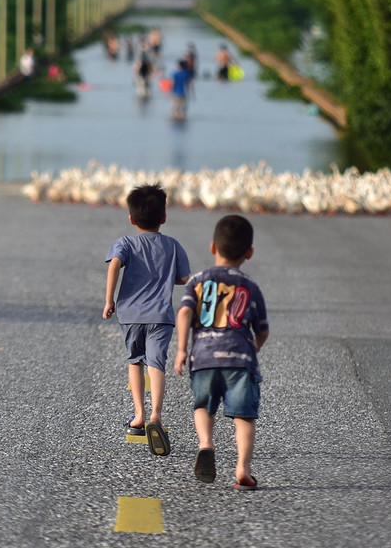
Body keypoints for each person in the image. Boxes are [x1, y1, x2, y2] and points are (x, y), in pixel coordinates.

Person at [175, 214, 269, 489]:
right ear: (249, 253)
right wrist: (255, 346)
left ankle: (206, 443)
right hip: (240, 361)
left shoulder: (198, 280)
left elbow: (184, 313)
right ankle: (243, 468)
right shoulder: (251, 287)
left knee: (204, 406)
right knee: (244, 416)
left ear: (213, 247)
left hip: (204, 358)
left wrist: (181, 349)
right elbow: (262, 329)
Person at [103, 184, 191, 456]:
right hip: (161, 316)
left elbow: (115, 264)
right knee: (156, 363)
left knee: (135, 361)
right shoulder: (173, 246)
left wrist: (109, 300)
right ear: (163, 217)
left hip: (130, 315)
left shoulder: (125, 243)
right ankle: (156, 415)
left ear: (131, 218)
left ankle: (139, 415)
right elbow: (183, 278)